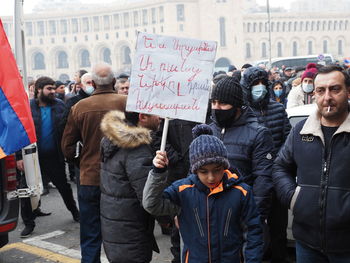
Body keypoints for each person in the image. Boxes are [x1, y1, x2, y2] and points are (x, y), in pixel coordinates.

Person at [143, 124, 263, 263]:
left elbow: (253, 233)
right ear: (195, 170)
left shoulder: (241, 192)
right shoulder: (182, 190)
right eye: (204, 171)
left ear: (225, 166)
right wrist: (158, 173)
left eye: (217, 170)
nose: (211, 177)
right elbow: (151, 204)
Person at [273, 65, 350, 262]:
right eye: (321, 90)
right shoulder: (301, 131)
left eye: (335, 89)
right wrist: (294, 198)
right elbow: (281, 166)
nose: (327, 97)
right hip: (307, 244)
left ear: (347, 91)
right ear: (314, 93)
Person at [61, 62, 127, 263]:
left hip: (90, 177)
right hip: (122, 178)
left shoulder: (79, 107)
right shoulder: (126, 103)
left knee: (90, 233)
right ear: (114, 81)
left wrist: (81, 162)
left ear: (94, 84)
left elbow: (67, 146)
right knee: (124, 233)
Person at [242, 66, 291, 263]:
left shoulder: (278, 109)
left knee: (278, 227)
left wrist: (277, 163)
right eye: (255, 84)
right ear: (248, 87)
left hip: (278, 178)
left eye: (263, 83)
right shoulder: (244, 113)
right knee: (255, 228)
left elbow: (288, 142)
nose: (260, 88)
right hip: (256, 180)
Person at [209, 76, 274, 222]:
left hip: (242, 216)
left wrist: (255, 219)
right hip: (211, 216)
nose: (216, 107)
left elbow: (263, 181)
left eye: (223, 103)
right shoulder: (208, 131)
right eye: (213, 102)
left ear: (237, 106)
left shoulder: (258, 133)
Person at [99, 110, 160, 263]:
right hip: (131, 228)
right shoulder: (137, 149)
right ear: (143, 117)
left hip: (115, 224)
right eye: (157, 114)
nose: (160, 118)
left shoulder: (114, 139)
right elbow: (148, 196)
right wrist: (167, 217)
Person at [29, 76, 79, 223]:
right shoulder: (28, 107)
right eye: (49, 89)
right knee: (29, 188)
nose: (53, 91)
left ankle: (75, 212)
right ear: (39, 90)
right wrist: (20, 157)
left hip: (54, 156)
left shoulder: (59, 105)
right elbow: (22, 132)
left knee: (63, 186)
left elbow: (67, 128)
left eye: (53, 88)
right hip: (33, 157)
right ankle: (29, 220)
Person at [60, 72, 94, 183]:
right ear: (81, 85)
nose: (91, 85)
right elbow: (65, 127)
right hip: (82, 152)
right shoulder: (73, 102)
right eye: (88, 83)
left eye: (93, 82)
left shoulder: (102, 100)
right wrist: (73, 154)